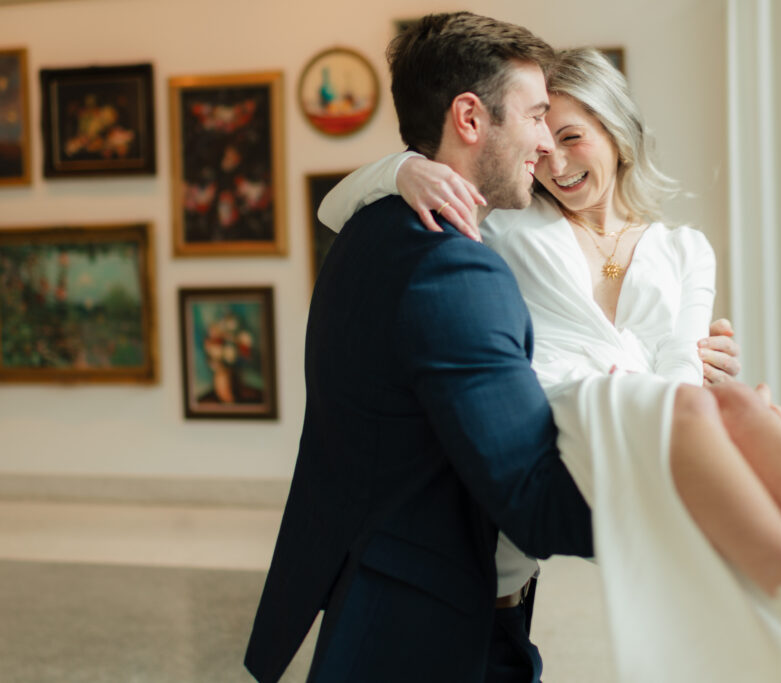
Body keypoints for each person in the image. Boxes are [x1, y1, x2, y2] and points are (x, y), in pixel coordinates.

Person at [319, 44, 781, 682]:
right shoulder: (508, 219)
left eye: (573, 137)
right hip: (552, 408)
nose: (556, 164)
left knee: (738, 401)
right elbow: (337, 203)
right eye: (544, 143)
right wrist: (405, 167)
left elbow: (684, 368)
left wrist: (713, 408)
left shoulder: (684, 249)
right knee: (706, 409)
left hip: (642, 405)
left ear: (616, 133)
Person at [244, 15, 597, 683]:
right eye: (536, 116)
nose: (547, 142)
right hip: (429, 634)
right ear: (470, 117)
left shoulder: (374, 226)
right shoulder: (454, 268)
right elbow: (534, 500)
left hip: (376, 606)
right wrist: (698, 501)